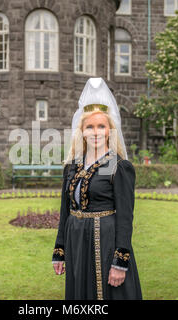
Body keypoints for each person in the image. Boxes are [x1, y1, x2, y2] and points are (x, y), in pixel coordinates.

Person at [51, 77, 142, 300]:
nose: (95, 132)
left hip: (106, 241)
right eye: (89, 127)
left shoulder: (119, 166)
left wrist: (120, 262)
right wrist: (59, 251)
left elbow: (125, 217)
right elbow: (65, 212)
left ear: (110, 130)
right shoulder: (72, 167)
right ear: (81, 131)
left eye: (101, 126)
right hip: (76, 242)